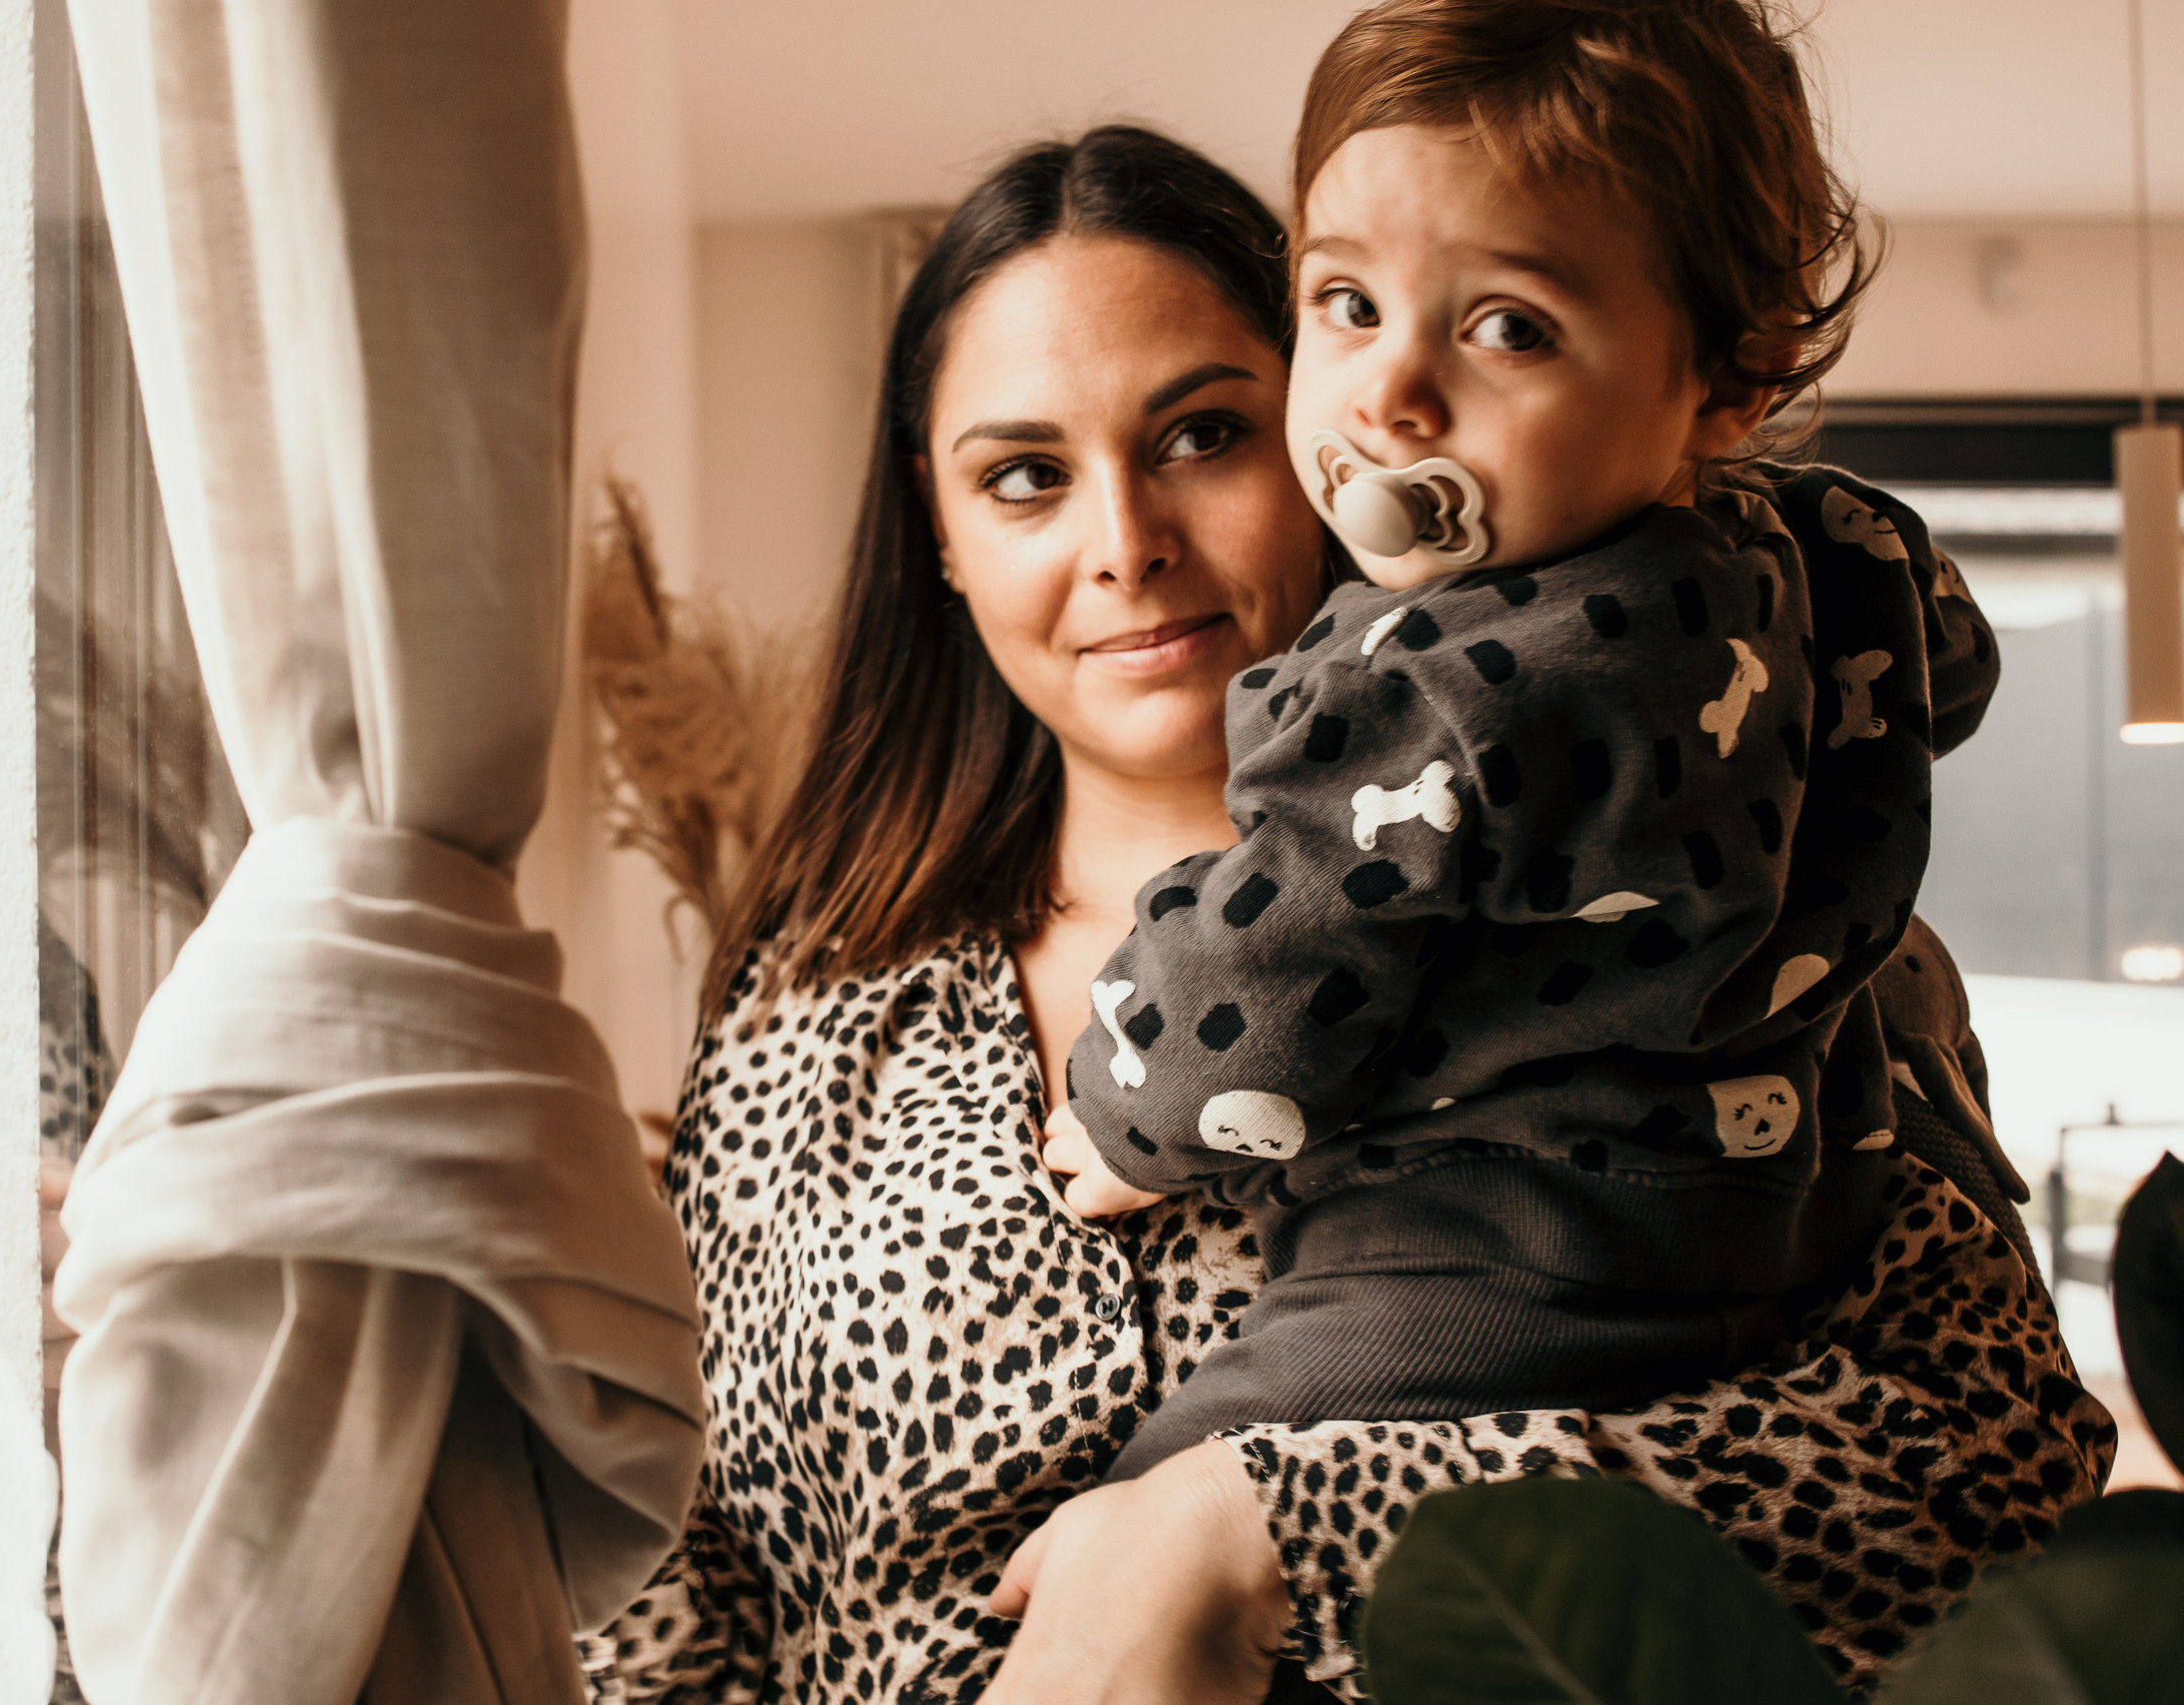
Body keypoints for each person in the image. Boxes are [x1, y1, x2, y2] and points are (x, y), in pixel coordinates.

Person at [586, 123, 2110, 1705]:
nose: (1125, 546)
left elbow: (1986, 1476)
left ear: (1340, 428)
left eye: (1202, 436)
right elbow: (670, 1589)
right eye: (1026, 476)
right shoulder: (812, 1008)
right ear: (944, 530)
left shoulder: (1722, 925)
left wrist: (1263, 1535)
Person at [1057, 0, 1997, 1480]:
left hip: (1485, 1249)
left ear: (1732, 378)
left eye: (1508, 327)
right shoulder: (1840, 543)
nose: (1392, 393)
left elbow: (1270, 961)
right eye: (1348, 304)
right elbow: (1948, 679)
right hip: (1792, 1195)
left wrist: (1124, 1120)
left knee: (1157, 1501)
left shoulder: (1423, 680)